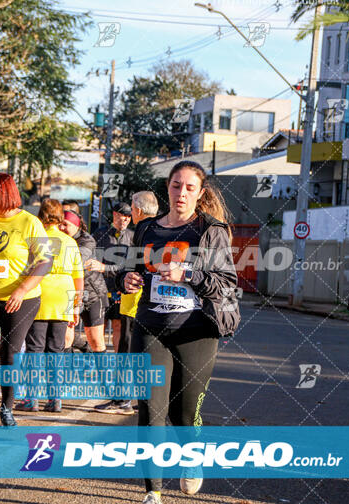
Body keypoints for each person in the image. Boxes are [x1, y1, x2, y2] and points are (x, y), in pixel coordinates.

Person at [118, 161, 240, 504]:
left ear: (200, 193)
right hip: (150, 327)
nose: (181, 193)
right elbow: (127, 270)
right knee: (149, 408)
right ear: (166, 188)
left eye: (189, 188)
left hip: (196, 333)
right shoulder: (146, 230)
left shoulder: (210, 230)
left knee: (183, 413)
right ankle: (153, 492)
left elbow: (227, 284)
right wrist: (125, 281)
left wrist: (187, 275)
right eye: (175, 186)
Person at [0, 173, 52, 426]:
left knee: (10, 355)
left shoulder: (29, 222)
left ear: (2, 194)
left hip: (22, 299)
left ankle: (7, 408)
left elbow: (45, 261)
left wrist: (21, 290)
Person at [16, 199, 83, 413]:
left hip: (39, 293)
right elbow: (78, 277)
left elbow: (24, 270)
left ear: (40, 215)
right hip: (63, 295)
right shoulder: (70, 242)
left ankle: (31, 399)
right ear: (60, 218)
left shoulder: (35, 239)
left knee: (34, 349)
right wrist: (75, 306)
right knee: (56, 350)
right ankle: (55, 399)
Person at [95, 191, 159, 415]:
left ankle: (123, 400)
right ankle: (139, 400)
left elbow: (132, 268)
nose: (130, 214)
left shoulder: (143, 233)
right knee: (137, 352)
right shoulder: (157, 230)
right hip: (143, 303)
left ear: (138, 211)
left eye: (132, 209)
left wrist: (118, 274)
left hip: (136, 303)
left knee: (128, 352)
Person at [60, 209, 108, 352]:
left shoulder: (87, 240)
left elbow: (75, 261)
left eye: (65, 224)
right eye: (59, 224)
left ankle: (103, 374)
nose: (61, 228)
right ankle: (67, 374)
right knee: (66, 338)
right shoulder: (58, 238)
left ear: (77, 226)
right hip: (69, 294)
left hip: (92, 294)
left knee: (95, 340)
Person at [88, 202, 133, 352]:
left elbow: (129, 266)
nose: (126, 220)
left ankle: (118, 366)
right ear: (115, 215)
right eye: (123, 216)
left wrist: (105, 268)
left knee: (118, 326)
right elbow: (92, 262)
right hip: (100, 289)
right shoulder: (100, 234)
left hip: (120, 290)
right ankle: (99, 364)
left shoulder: (132, 237)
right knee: (98, 326)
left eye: (128, 217)